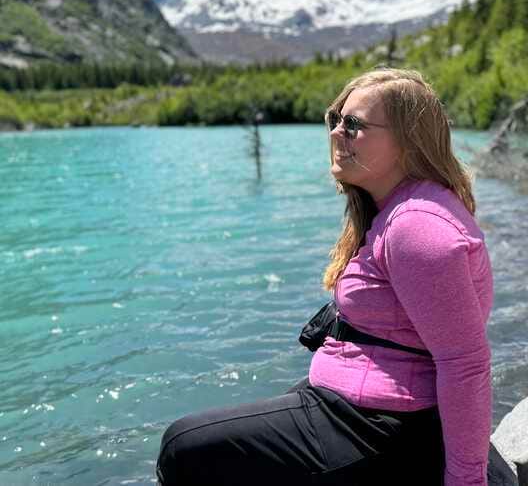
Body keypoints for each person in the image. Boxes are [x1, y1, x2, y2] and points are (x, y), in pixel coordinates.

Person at [156, 68, 500, 486]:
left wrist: (466, 479)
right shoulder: (396, 207)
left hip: (383, 424)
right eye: (335, 118)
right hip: (361, 402)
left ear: (408, 140)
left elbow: (465, 363)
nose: (337, 132)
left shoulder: (417, 228)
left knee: (183, 446)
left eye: (353, 125)